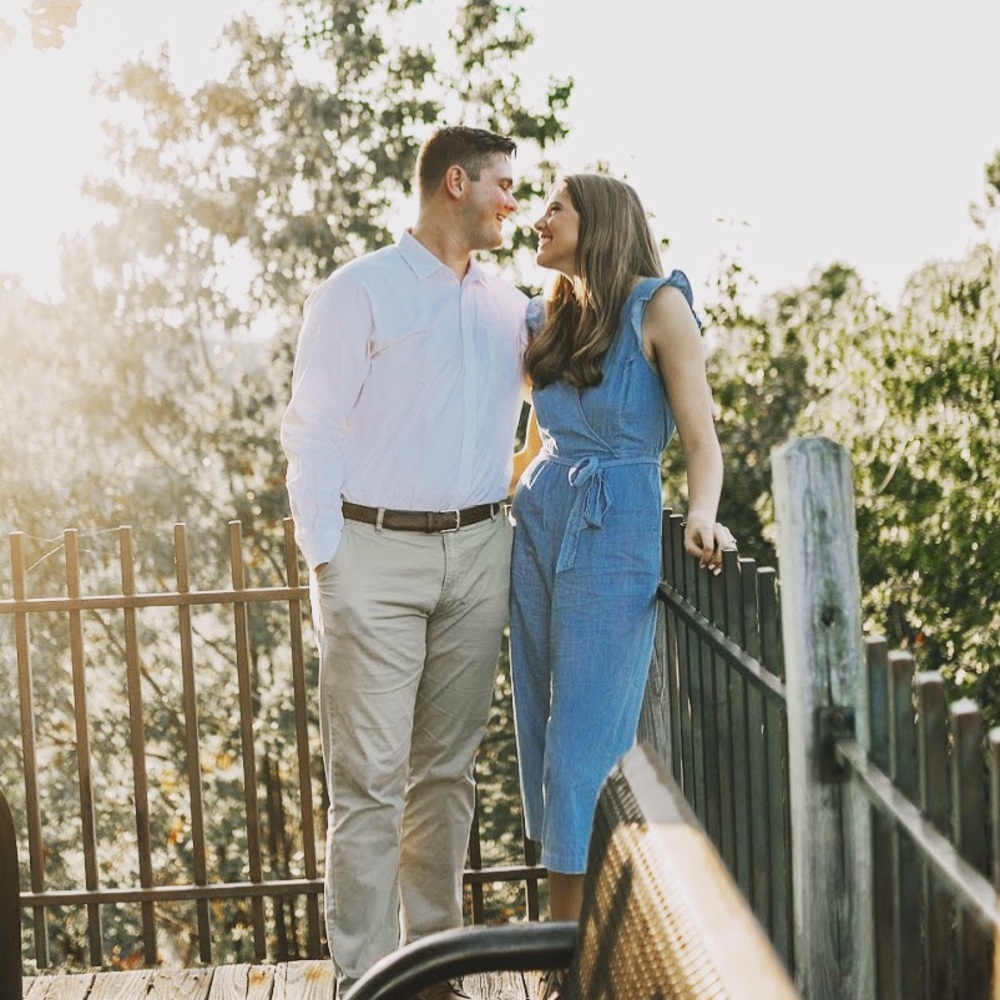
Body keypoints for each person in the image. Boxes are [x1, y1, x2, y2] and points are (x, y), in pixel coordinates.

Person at [280, 126, 528, 1000]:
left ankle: (432, 969)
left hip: (478, 552)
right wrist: (328, 558)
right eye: (504, 184)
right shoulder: (359, 292)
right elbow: (309, 429)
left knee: (447, 775)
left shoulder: (508, 305)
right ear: (454, 183)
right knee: (370, 781)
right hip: (372, 555)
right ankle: (365, 976)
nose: (513, 202)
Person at [509, 173, 735, 938]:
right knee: (542, 735)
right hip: (539, 520)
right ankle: (566, 937)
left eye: (554, 207)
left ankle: (577, 958)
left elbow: (703, 445)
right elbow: (532, 448)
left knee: (586, 747)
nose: (537, 218)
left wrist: (703, 516)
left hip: (615, 528)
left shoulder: (660, 307)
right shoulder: (546, 316)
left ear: (597, 220)